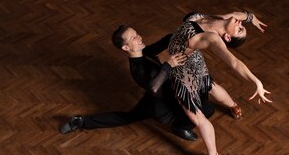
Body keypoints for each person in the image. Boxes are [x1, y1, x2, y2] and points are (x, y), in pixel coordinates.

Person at [59, 25, 215, 139]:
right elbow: (153, 87)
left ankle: (80, 122)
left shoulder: (145, 51)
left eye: (136, 33)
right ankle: (179, 127)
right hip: (162, 107)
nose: (139, 37)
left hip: (156, 99)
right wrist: (168, 65)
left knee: (127, 117)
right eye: (134, 37)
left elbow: (167, 39)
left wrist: (186, 32)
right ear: (126, 47)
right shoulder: (137, 69)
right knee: (207, 108)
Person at [168, 10, 271, 155]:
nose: (239, 24)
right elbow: (240, 14)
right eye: (241, 26)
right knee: (210, 84)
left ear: (228, 38)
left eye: (239, 30)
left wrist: (256, 82)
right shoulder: (222, 19)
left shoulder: (213, 39)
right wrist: (252, 19)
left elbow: (235, 63)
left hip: (181, 69)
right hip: (192, 58)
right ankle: (233, 106)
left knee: (197, 118)